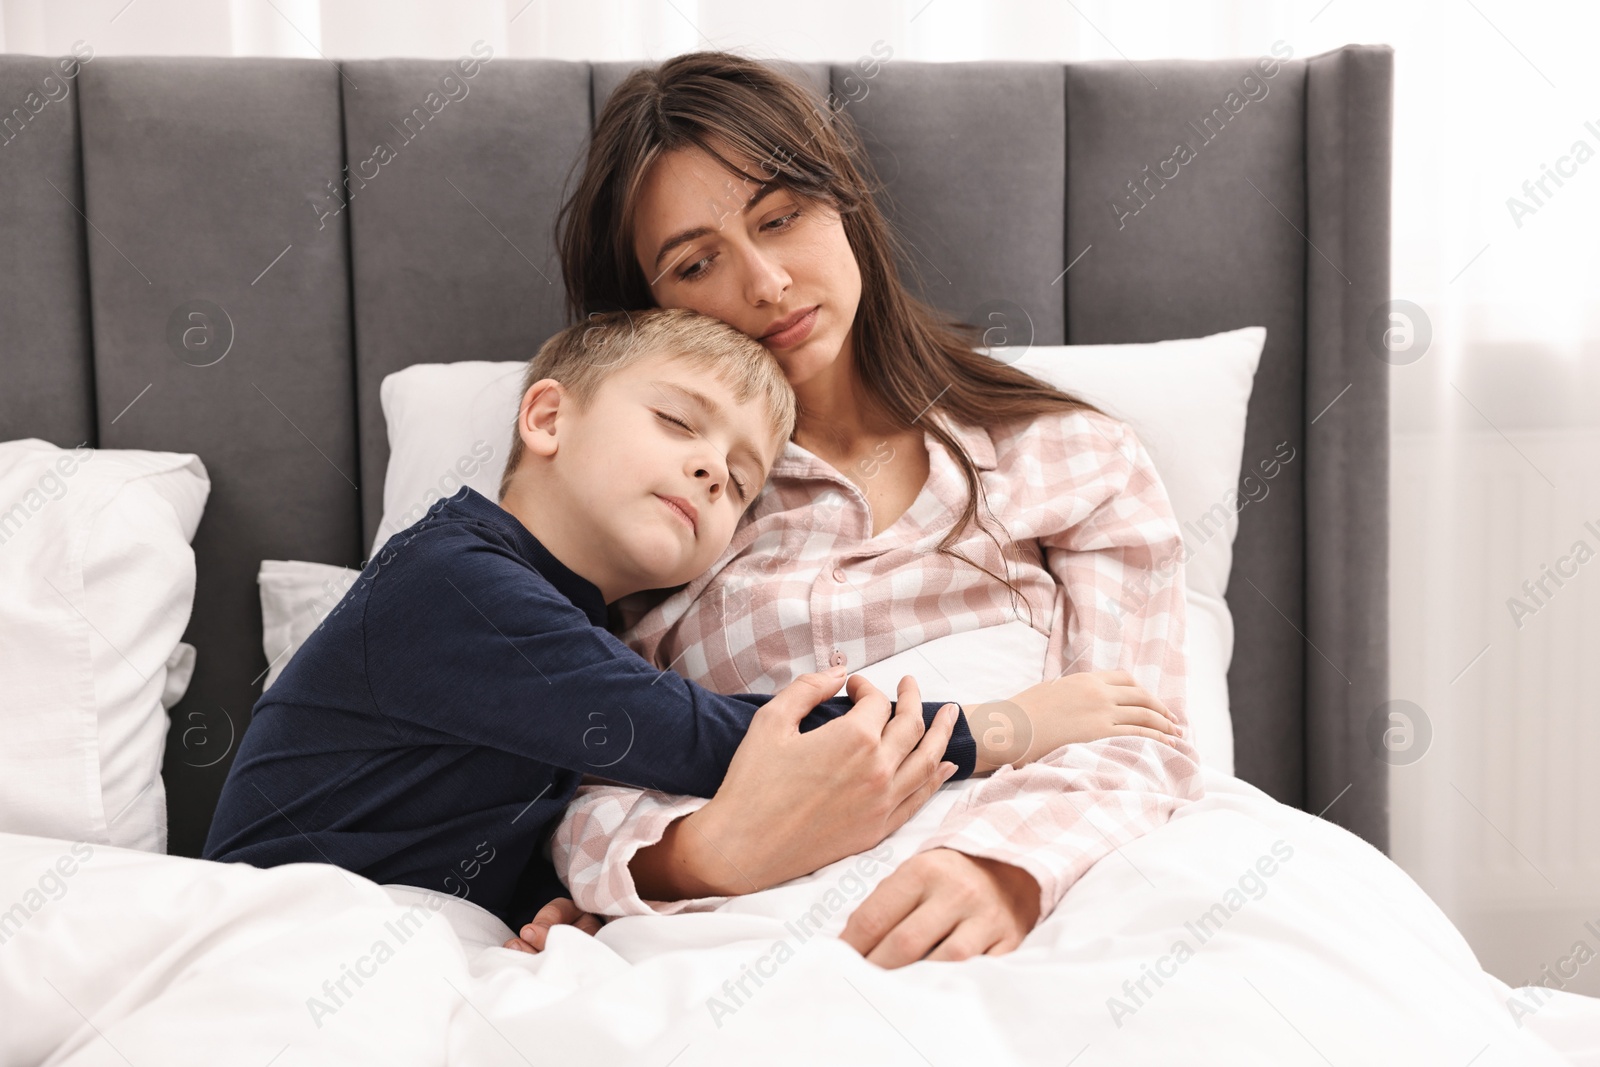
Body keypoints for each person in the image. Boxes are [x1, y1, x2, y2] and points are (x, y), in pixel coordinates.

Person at [506, 50, 1207, 968]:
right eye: (695, 263)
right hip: (755, 918)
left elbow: (1141, 734)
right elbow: (583, 791)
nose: (764, 284)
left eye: (783, 217)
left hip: (1058, 891)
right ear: (649, 312)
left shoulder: (1073, 457)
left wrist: (1000, 865)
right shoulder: (665, 510)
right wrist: (706, 855)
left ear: (845, 208)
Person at [202, 307, 1176, 933]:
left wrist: (543, 902)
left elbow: (461, 810)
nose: (714, 467)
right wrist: (1012, 724)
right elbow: (715, 739)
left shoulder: (567, 627)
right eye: (677, 422)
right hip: (277, 928)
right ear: (546, 419)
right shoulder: (456, 581)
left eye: (743, 478)